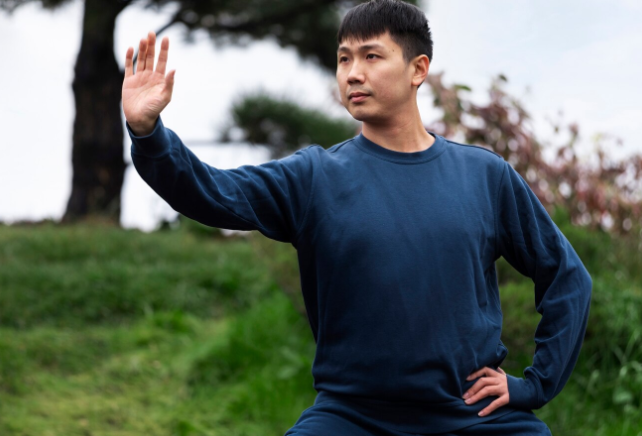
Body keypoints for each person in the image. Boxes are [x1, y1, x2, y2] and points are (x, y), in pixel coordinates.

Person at [122, 0, 592, 434]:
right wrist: (148, 133)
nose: (352, 74)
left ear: (418, 69)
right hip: (351, 416)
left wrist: (535, 384)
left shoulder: (484, 176)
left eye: (371, 56)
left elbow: (567, 276)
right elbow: (212, 193)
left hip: (472, 415)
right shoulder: (314, 176)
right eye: (344, 59)